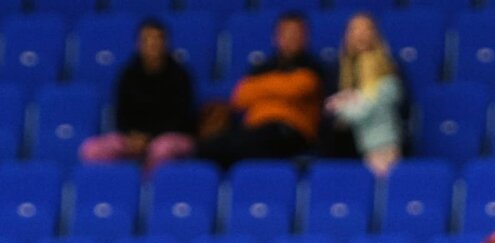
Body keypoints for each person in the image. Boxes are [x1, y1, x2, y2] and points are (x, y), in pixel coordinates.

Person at [196, 11, 323, 169]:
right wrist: (282, 85)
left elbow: (300, 87)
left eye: (296, 33)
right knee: (208, 147)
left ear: (305, 37)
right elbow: (241, 96)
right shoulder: (262, 66)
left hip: (291, 132)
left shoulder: (314, 66)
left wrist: (261, 88)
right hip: (255, 129)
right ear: (276, 37)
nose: (291, 38)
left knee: (248, 148)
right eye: (286, 33)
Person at [78, 18, 196, 172]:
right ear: (138, 44)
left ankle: (150, 192)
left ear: (166, 43)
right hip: (132, 138)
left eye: (158, 39)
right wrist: (131, 136)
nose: (153, 44)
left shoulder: (180, 75)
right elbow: (121, 114)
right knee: (91, 149)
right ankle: (116, 190)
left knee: (160, 150)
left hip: (169, 137)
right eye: (147, 39)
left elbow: (182, 118)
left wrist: (150, 136)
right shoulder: (128, 74)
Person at [324, 11, 405, 177]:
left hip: (380, 144)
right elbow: (328, 111)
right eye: (355, 30)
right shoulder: (336, 68)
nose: (361, 35)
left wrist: (342, 107)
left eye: (366, 29)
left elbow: (400, 106)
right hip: (344, 145)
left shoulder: (388, 69)